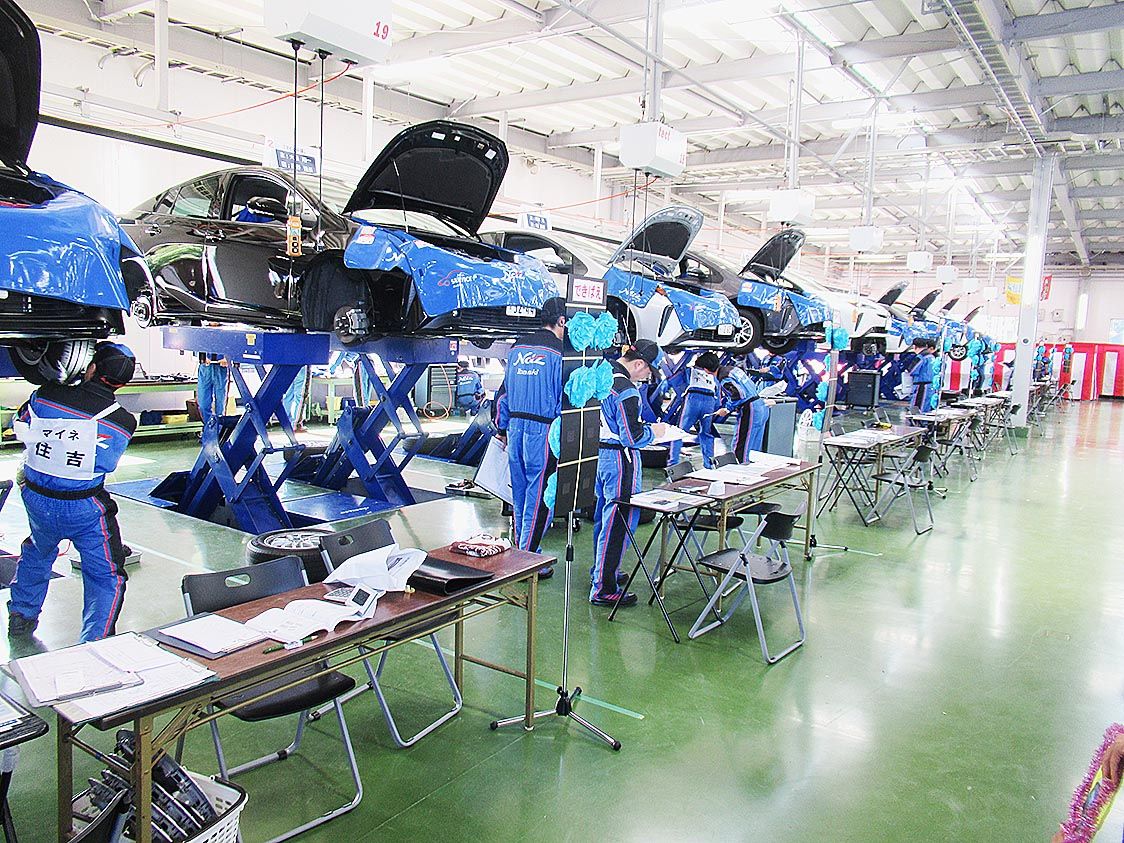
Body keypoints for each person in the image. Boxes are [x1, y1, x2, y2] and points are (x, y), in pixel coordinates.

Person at [8, 343, 137, 642]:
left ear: (91, 368)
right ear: (122, 383)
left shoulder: (46, 394)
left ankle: (21, 616)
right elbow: (105, 462)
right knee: (106, 576)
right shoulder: (123, 422)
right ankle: (93, 642)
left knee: (37, 551)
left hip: (37, 499)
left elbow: (21, 425)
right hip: (84, 509)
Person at [590, 340, 668, 607]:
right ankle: (604, 588)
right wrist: (654, 432)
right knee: (619, 521)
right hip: (619, 459)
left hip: (597, 454)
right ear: (638, 364)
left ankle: (602, 571)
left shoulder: (601, 373)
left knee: (605, 517)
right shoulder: (626, 390)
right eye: (648, 372)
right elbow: (631, 436)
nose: (647, 377)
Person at [496, 297, 567, 578]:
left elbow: (502, 394)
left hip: (515, 429)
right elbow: (566, 397)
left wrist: (502, 428)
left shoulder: (517, 348)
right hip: (545, 431)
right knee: (540, 496)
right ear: (561, 320)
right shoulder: (560, 353)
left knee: (520, 492)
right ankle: (526, 561)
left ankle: (520, 548)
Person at [671, 352, 721, 468]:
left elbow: (678, 377)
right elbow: (718, 399)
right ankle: (709, 464)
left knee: (679, 432)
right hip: (709, 400)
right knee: (706, 434)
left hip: (693, 398)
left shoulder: (690, 370)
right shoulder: (714, 376)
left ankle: (673, 464)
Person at [717, 363, 772, 461]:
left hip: (750, 409)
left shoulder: (724, 378)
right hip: (760, 405)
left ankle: (739, 467)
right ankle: (752, 467)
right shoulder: (734, 369)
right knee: (754, 448)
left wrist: (727, 408)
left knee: (741, 447)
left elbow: (738, 394)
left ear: (706, 370)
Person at [196, 352, 228, 430]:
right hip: (206, 368)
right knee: (203, 403)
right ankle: (208, 429)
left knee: (220, 404)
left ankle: (219, 430)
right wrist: (202, 356)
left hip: (221, 367)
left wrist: (227, 357)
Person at [909, 339, 938, 410]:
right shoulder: (932, 357)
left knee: (918, 408)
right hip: (931, 385)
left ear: (914, 347)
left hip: (922, 386)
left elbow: (912, 370)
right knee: (927, 407)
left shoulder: (921, 357)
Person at [282, 365, 310, 432]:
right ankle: (296, 424)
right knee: (300, 397)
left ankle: (286, 422)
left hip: (287, 366)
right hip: (302, 365)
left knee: (288, 396)